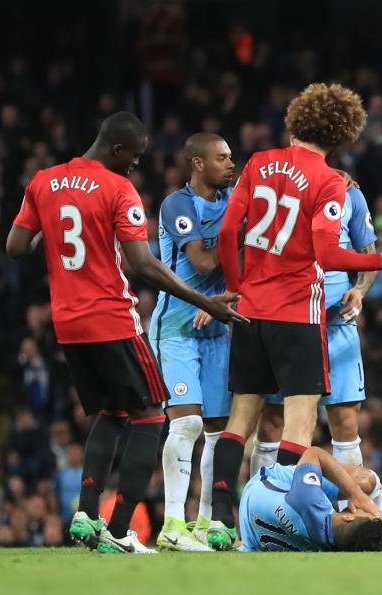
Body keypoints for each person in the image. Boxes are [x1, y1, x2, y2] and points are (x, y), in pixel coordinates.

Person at [6, 112, 244, 554]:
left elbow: (16, 247)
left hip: (67, 322)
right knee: (152, 417)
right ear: (117, 150)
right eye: (133, 158)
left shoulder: (43, 181)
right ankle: (118, 531)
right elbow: (142, 264)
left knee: (113, 413)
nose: (135, 166)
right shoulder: (117, 188)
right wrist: (206, 301)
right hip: (111, 317)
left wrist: (50, 224)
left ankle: (85, 514)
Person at [209, 83, 382, 551]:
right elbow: (326, 251)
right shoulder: (327, 181)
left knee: (240, 420)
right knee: (299, 425)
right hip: (296, 313)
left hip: (250, 310)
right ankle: (289, 519)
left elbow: (228, 231)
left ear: (296, 119)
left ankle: (220, 519)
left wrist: (237, 286)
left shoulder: (259, 162)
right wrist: (379, 262)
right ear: (344, 133)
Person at [253, 181, 379, 474]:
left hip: (337, 327)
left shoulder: (350, 194)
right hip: (287, 325)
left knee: (346, 420)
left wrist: (359, 290)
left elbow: (369, 256)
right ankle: (263, 509)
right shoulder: (278, 188)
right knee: (272, 420)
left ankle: (351, 510)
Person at [148, 133, 236, 552]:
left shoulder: (235, 198)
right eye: (221, 158)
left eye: (231, 157)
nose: (230, 164)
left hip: (219, 330)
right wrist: (240, 237)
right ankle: (172, 526)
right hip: (177, 330)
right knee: (186, 423)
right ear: (198, 164)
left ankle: (204, 524)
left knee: (218, 431)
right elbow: (201, 262)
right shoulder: (178, 205)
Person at [239, 446, 382, 552]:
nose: (367, 509)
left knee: (365, 482)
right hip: (255, 534)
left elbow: (314, 453)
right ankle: (378, 526)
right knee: (366, 483)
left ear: (349, 517)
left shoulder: (309, 500)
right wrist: (359, 497)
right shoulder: (336, 545)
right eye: (372, 512)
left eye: (369, 512)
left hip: (260, 488)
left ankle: (379, 508)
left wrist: (356, 495)